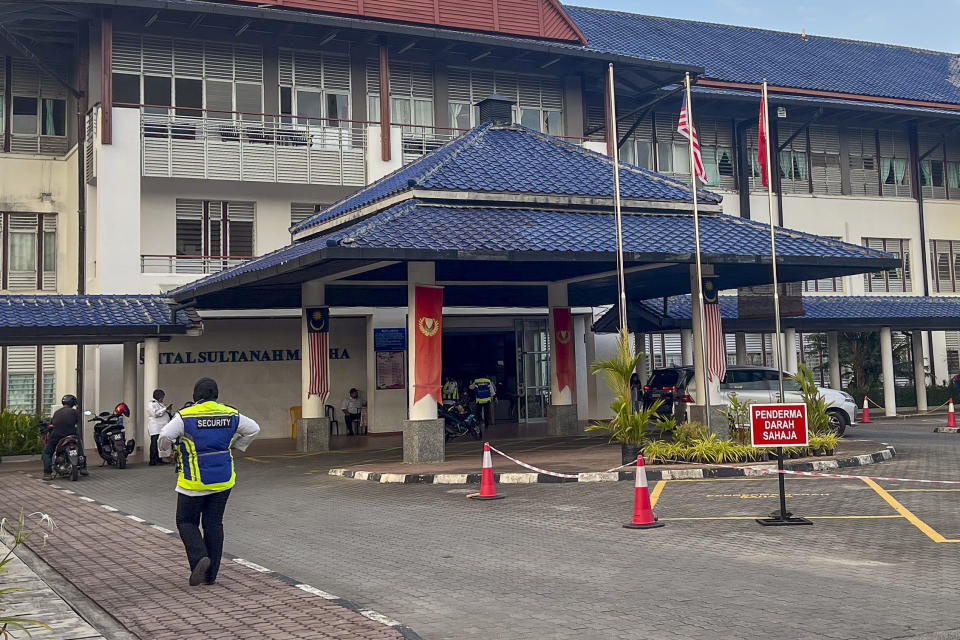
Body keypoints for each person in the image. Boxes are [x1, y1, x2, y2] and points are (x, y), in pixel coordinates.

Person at [158, 378, 260, 587]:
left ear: (195, 395)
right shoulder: (230, 414)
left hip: (193, 482)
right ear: (216, 395)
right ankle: (211, 575)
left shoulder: (185, 416)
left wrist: (165, 454)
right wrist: (236, 446)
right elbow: (254, 429)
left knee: (186, 521)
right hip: (223, 479)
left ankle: (199, 558)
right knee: (214, 524)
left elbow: (165, 435)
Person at [43, 394, 81, 481]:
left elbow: (52, 424)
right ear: (73, 403)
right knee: (79, 444)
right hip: (72, 435)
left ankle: (47, 473)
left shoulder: (57, 412)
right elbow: (78, 424)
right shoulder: (75, 412)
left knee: (47, 453)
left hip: (57, 436)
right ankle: (83, 467)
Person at [146, 389, 173, 466]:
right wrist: (165, 409)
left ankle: (159, 459)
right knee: (154, 444)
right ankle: (153, 461)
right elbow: (155, 414)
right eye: (162, 397)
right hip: (155, 428)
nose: (162, 399)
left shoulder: (160, 404)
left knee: (158, 445)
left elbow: (163, 413)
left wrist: (168, 410)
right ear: (158, 397)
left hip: (161, 427)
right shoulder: (152, 404)